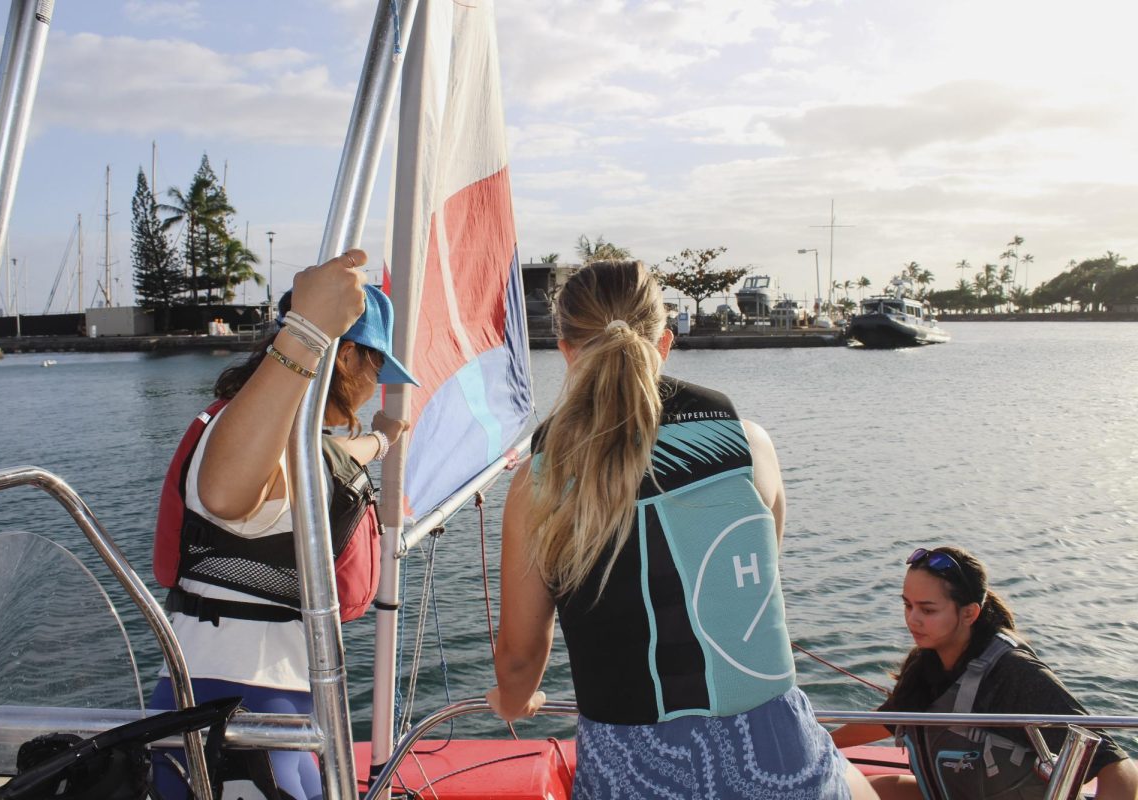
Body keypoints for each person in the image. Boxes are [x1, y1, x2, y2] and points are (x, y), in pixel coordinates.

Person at [486, 260, 875, 799]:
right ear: (665, 343)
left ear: (567, 348)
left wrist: (513, 699)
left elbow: (521, 656)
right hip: (782, 759)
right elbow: (753, 580)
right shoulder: (750, 446)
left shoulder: (542, 481)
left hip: (636, 773)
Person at [149, 250, 418, 800]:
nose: (373, 386)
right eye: (374, 367)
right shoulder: (244, 440)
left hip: (283, 702)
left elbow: (338, 458)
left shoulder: (301, 448)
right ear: (345, 362)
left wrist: (383, 438)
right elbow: (224, 492)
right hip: (233, 710)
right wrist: (309, 331)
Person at [831, 546, 1138, 800]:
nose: (913, 620)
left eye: (927, 610)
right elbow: (892, 718)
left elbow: (1119, 768)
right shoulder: (928, 661)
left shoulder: (1014, 673)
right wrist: (818, 743)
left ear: (969, 613)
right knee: (862, 790)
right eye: (907, 605)